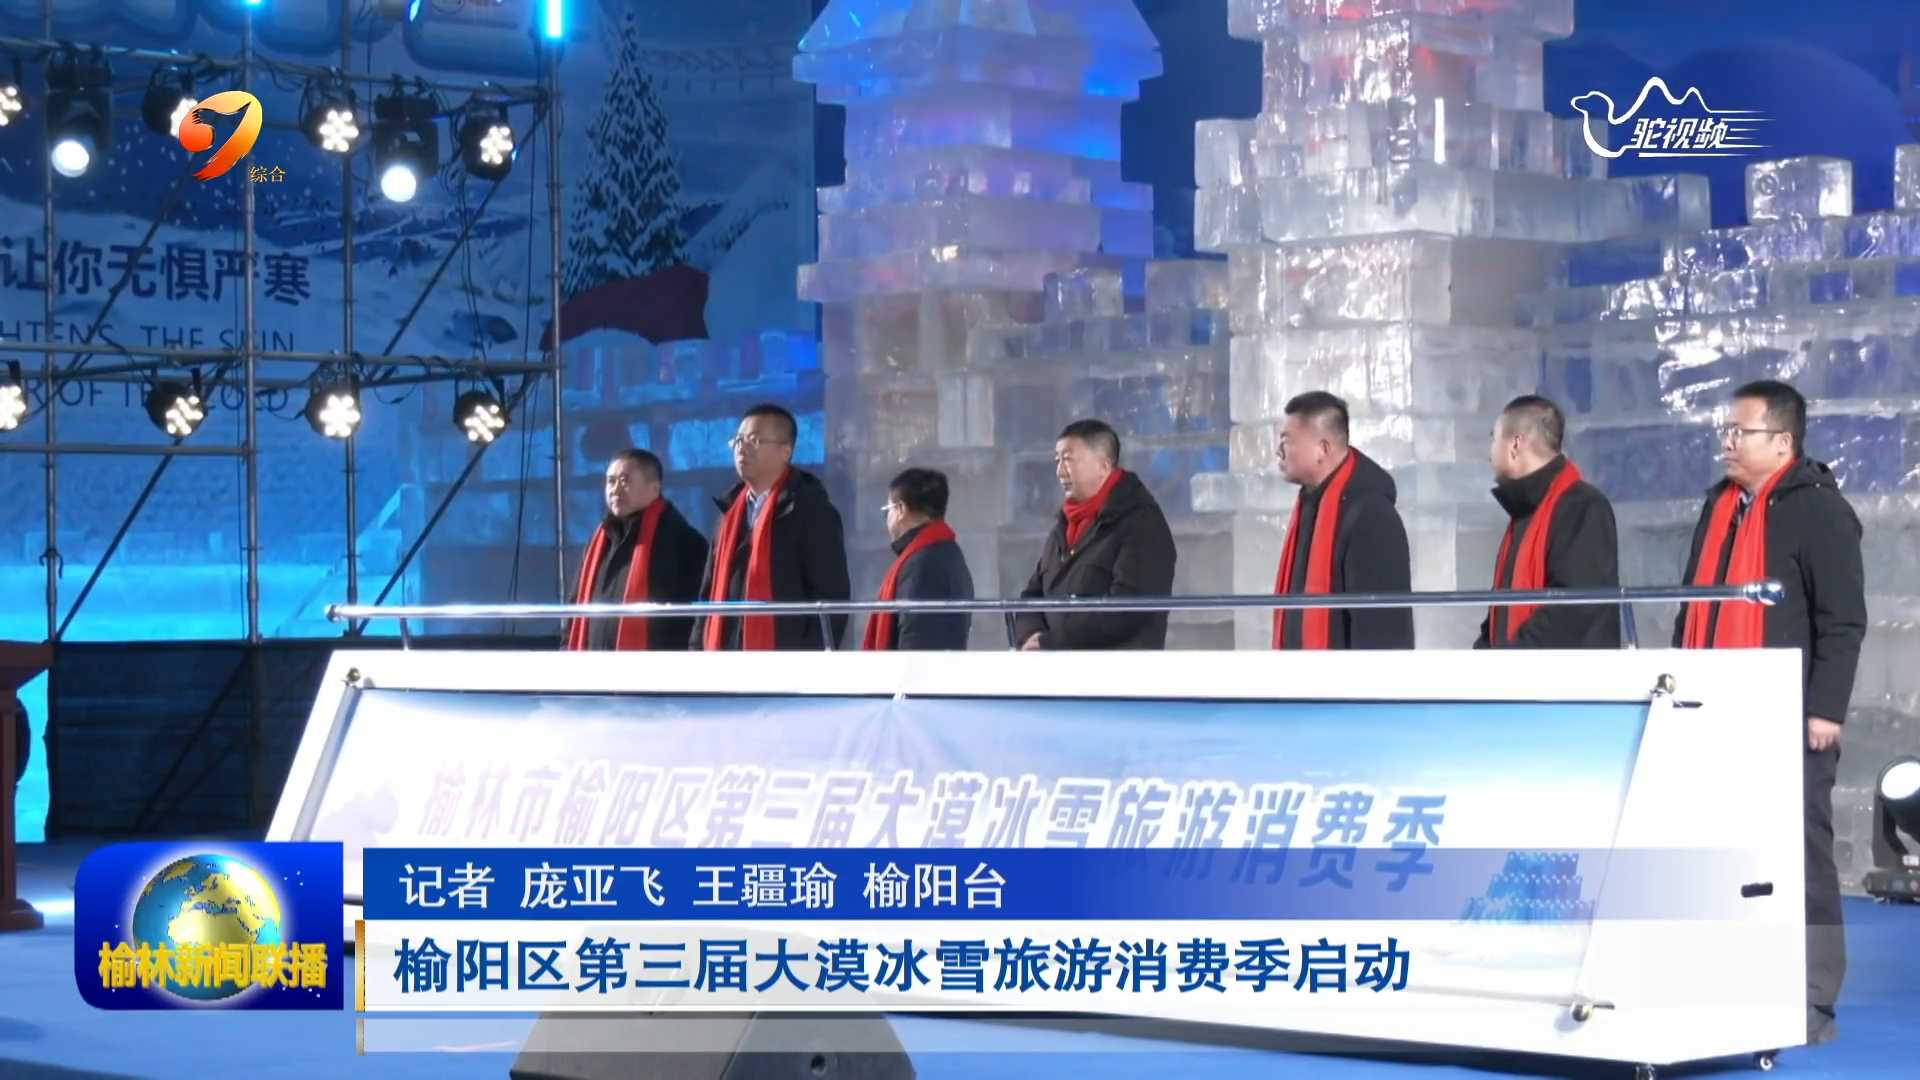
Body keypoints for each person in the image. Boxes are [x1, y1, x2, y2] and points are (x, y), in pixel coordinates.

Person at [1672, 379, 1865, 1046]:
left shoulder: (1820, 511)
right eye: (1725, 430)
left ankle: (1813, 997)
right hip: (1713, 708)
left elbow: (1842, 620)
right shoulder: (1719, 506)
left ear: (1782, 442)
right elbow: (1695, 604)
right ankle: (1728, 978)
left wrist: (1825, 710)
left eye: (1741, 432)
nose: (1727, 442)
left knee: (1801, 854)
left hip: (1789, 715)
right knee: (1716, 849)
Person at [694, 403, 851, 651]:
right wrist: (696, 651)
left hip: (785, 662)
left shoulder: (812, 511)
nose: (741, 448)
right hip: (723, 660)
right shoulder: (728, 515)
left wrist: (809, 662)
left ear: (785, 451)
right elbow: (707, 595)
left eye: (754, 440)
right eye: (738, 440)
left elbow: (831, 598)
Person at [1012, 419, 1176, 651]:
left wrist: (1053, 642)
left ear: (1103, 466)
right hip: (1054, 667)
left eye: (1068, 460)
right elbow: (1032, 595)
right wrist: (1032, 635)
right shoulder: (1063, 528)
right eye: (1057, 461)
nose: (1060, 471)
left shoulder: (1141, 524)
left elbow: (1127, 609)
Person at [1475, 395, 1621, 649]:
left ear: (1515, 444)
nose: (1490, 453)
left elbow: (1572, 610)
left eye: (1493, 437)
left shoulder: (1583, 507)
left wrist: (1507, 661)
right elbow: (1499, 614)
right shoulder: (1523, 512)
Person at [1271, 392, 1413, 650]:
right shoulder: (1311, 506)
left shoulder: (1372, 517)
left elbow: (1384, 635)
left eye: (1286, 441)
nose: (1278, 452)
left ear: (1322, 449)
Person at [565, 449, 709, 652]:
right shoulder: (600, 540)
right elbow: (575, 606)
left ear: (654, 488)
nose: (615, 489)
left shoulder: (684, 541)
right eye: (610, 481)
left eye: (624, 480)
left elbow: (697, 618)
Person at [862, 467, 975, 651]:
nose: (887, 519)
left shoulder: (922, 564)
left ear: (900, 509)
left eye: (887, 511)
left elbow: (916, 642)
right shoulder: (946, 550)